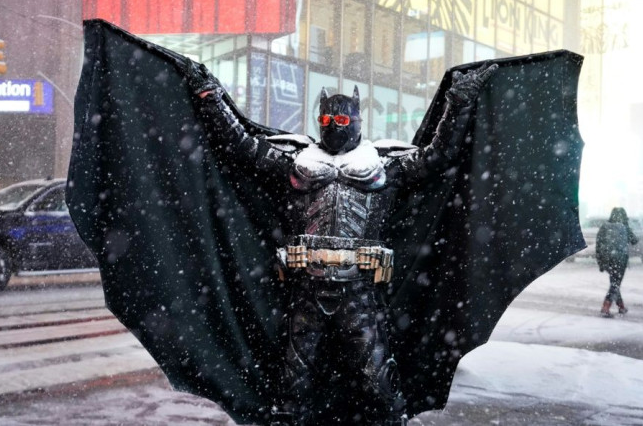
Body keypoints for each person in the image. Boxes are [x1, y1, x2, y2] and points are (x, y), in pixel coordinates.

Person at [191, 63, 497, 426]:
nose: (335, 127)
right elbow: (242, 146)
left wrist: (459, 102)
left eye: (342, 121)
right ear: (319, 120)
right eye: (328, 121)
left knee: (380, 384)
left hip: (360, 292)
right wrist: (210, 97)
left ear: (357, 120)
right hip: (306, 289)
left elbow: (437, 155)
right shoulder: (297, 159)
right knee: (290, 387)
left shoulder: (383, 163)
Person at [596, 207, 638, 317]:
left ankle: (621, 307)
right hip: (620, 260)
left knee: (614, 283)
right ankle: (606, 307)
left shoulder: (604, 227)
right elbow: (634, 240)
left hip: (607, 260)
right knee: (615, 284)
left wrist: (600, 262)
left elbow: (598, 245)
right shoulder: (624, 227)